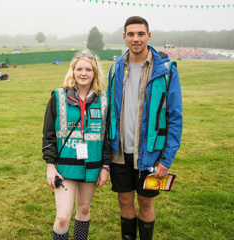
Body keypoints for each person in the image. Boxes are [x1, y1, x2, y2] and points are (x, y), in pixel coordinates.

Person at [102, 16, 183, 240]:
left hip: (149, 154)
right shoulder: (114, 69)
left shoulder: (166, 71)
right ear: (124, 37)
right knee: (124, 201)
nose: (135, 39)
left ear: (148, 36)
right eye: (131, 34)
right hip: (121, 153)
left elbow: (175, 117)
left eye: (140, 34)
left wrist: (166, 159)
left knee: (146, 205)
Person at [42, 50, 110, 240]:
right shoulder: (57, 97)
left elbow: (108, 139)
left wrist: (105, 167)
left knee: (83, 209)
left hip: (92, 167)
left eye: (88, 69)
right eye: (79, 69)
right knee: (63, 217)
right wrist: (50, 166)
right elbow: (48, 135)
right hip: (64, 167)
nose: (83, 73)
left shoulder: (104, 100)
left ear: (95, 73)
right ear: (72, 71)